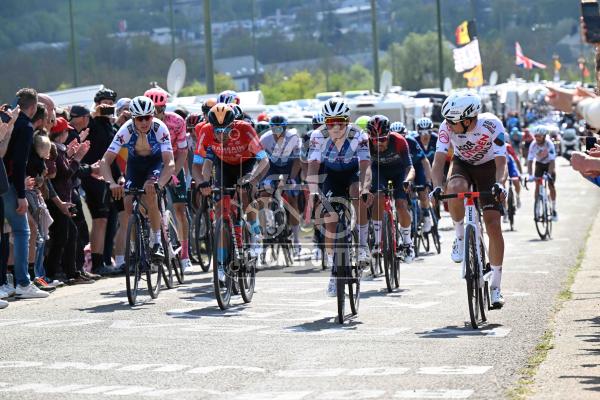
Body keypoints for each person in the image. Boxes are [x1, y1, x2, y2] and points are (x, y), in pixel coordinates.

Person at [430, 91, 507, 308]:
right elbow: (438, 162)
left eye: (452, 121)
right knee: (454, 188)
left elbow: (502, 163)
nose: (447, 124)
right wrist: (436, 187)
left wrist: (500, 184)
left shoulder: (492, 125)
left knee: (493, 225)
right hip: (462, 165)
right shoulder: (446, 127)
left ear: (467, 120)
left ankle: (496, 287)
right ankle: (460, 236)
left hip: (489, 168)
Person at [194, 103, 269, 281]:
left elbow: (264, 161)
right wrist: (203, 183)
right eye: (217, 130)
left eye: (226, 130)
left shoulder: (245, 128)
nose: (221, 135)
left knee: (244, 192)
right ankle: (221, 264)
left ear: (233, 125)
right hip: (224, 165)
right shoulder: (205, 130)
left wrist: (253, 181)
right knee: (220, 211)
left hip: (246, 163)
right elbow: (198, 164)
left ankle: (254, 229)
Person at [306, 98, 372, 297]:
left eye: (340, 122)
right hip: (332, 175)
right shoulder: (318, 135)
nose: (335, 127)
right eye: (330, 122)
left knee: (357, 193)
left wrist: (365, 188)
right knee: (330, 220)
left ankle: (362, 245)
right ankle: (334, 272)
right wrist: (313, 191)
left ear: (348, 120)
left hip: (353, 173)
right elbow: (313, 166)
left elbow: (365, 165)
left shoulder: (359, 134)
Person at [100, 96, 175, 260]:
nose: (144, 122)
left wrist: (159, 184)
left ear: (152, 115)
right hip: (135, 165)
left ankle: (157, 242)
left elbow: (169, 163)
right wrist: (111, 183)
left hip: (155, 163)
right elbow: (105, 161)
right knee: (127, 204)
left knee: (150, 194)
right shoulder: (126, 130)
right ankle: (134, 247)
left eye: (147, 117)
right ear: (133, 118)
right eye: (140, 118)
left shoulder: (160, 128)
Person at [2, 88, 49, 298]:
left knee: (5, 234)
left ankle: (7, 281)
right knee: (22, 231)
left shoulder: (9, 121)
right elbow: (19, 162)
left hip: (4, 181)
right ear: (34, 106)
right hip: (9, 184)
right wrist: (21, 195)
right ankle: (22, 282)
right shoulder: (25, 126)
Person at [144, 88, 192, 272]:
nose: (154, 113)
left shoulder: (177, 121)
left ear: (164, 108)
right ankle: (154, 244)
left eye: (158, 109)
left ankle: (185, 255)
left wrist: (174, 173)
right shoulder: (141, 122)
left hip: (174, 161)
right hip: (152, 163)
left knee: (180, 209)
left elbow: (183, 151)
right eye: (151, 109)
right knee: (148, 205)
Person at [46, 118, 93, 285]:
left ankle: (71, 272)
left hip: (63, 198)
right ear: (62, 133)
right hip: (58, 200)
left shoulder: (59, 150)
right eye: (66, 131)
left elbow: (64, 169)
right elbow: (65, 173)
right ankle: (55, 273)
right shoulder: (54, 150)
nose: (68, 133)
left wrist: (71, 155)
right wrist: (78, 158)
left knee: (69, 234)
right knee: (62, 237)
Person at [81, 88, 121, 276]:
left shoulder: (109, 126)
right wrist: (93, 114)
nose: (108, 107)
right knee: (99, 220)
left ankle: (103, 260)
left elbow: (112, 156)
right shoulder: (91, 122)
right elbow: (80, 131)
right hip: (92, 178)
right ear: (97, 104)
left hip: (107, 178)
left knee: (106, 221)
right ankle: (97, 264)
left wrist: (118, 177)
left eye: (111, 104)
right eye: (104, 103)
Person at [367, 115, 415, 262]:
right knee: (378, 197)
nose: (378, 143)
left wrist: (407, 181)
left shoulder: (399, 140)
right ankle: (377, 241)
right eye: (375, 140)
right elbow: (364, 168)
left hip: (399, 172)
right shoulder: (365, 143)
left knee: (401, 205)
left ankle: (407, 242)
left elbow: (410, 167)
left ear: (389, 135)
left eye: (382, 139)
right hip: (378, 171)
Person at [258, 114, 302, 257]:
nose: (277, 132)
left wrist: (291, 178)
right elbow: (260, 161)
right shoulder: (264, 139)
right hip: (272, 168)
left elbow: (298, 161)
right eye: (274, 129)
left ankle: (296, 240)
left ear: (285, 128)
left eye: (280, 129)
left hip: (290, 168)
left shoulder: (293, 138)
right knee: (263, 194)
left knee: (292, 197)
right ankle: (266, 228)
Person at [393, 121, 434, 234]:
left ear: (406, 134)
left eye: (402, 136)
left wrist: (428, 181)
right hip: (402, 169)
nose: (400, 138)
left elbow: (425, 161)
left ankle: (426, 214)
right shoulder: (390, 144)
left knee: (422, 190)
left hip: (417, 166)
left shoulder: (411, 141)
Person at [527, 125, 558, 221]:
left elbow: (552, 161)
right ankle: (537, 207)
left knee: (551, 186)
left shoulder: (549, 144)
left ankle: (554, 208)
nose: (537, 138)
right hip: (539, 165)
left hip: (549, 165)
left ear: (544, 136)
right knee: (537, 185)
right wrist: (530, 175)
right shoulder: (533, 145)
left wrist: (549, 174)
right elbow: (530, 161)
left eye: (539, 136)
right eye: (535, 136)